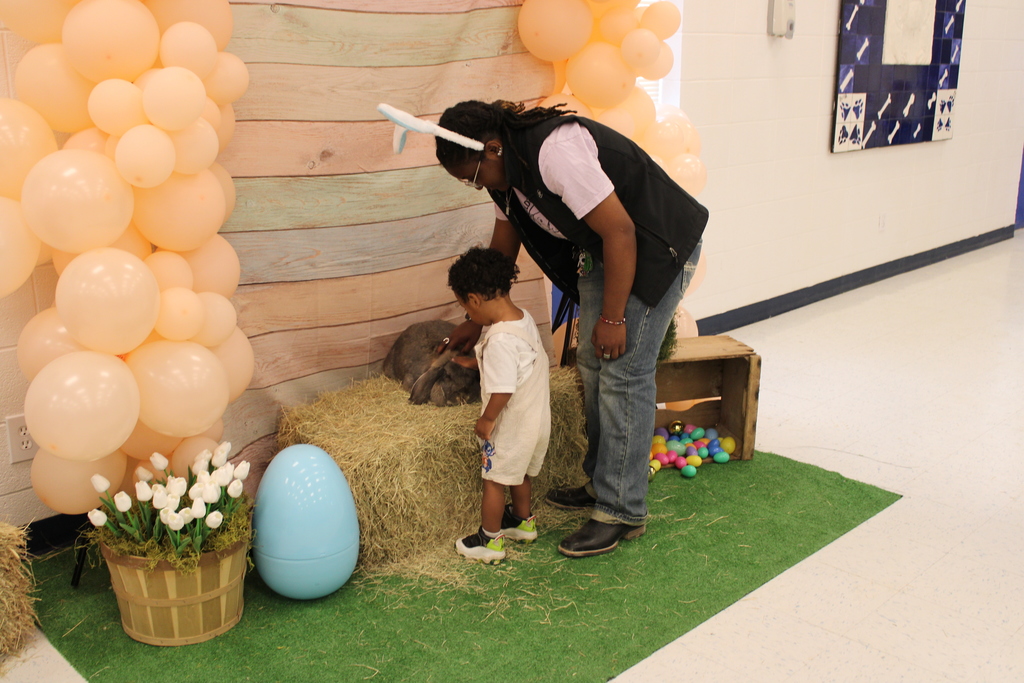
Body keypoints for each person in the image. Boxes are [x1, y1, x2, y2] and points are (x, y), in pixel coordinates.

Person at [436, 100, 708, 558]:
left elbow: (621, 230)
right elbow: (505, 246)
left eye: (474, 176)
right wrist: (473, 319)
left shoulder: (553, 151)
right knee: (592, 362)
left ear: (494, 148)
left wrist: (614, 317)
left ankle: (622, 509)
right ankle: (605, 481)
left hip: (655, 245)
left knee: (623, 369)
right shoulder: (504, 175)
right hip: (607, 248)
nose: (474, 184)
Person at [447, 246, 551, 564]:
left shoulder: (498, 340)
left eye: (464, 305)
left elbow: (503, 389)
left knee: (493, 480)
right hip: (536, 422)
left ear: (474, 300)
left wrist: (487, 420)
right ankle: (523, 522)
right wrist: (475, 364)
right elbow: (517, 369)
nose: (467, 312)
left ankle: (490, 540)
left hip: (512, 425)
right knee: (519, 473)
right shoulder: (522, 320)